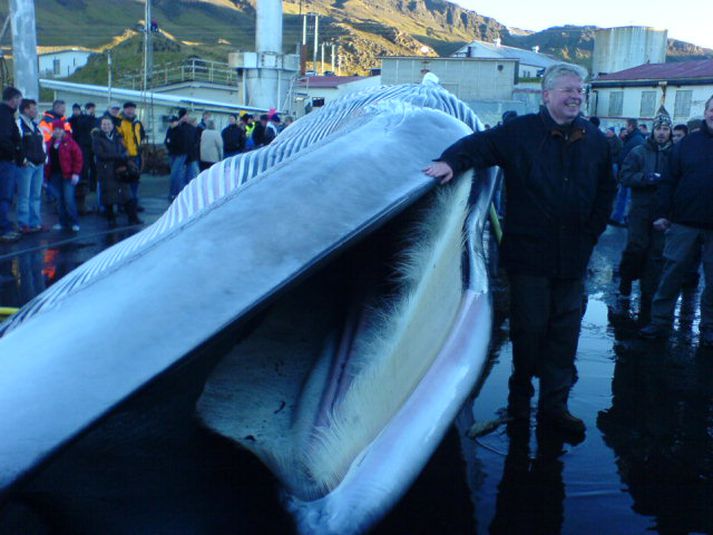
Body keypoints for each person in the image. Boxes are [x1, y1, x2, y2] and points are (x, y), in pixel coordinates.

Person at [424, 63, 615, 438]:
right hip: (529, 259)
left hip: (573, 260)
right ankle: (519, 406)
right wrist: (450, 161)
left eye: (580, 90)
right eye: (567, 90)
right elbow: (481, 145)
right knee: (529, 334)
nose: (576, 95)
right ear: (546, 96)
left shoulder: (595, 140)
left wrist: (590, 236)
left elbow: (607, 192)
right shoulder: (519, 133)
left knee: (564, 337)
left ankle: (555, 409)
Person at [639, 95, 713, 346]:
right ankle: (659, 322)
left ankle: (709, 327)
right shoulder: (687, 144)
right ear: (705, 112)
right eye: (712, 109)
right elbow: (668, 181)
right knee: (671, 273)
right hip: (684, 223)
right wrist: (661, 214)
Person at [615, 109, 674, 322]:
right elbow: (624, 176)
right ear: (652, 130)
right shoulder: (639, 151)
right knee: (636, 247)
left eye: (665, 128)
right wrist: (646, 177)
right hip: (640, 210)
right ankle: (626, 280)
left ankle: (648, 296)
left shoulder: (674, 154)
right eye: (658, 128)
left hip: (662, 213)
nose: (661, 132)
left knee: (656, 254)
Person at [92, 116, 141, 228]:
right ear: (100, 126)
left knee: (127, 195)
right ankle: (111, 220)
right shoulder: (97, 138)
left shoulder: (118, 137)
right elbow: (100, 154)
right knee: (109, 197)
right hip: (105, 171)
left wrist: (125, 156)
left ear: (112, 126)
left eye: (108, 124)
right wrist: (118, 156)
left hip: (120, 170)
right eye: (104, 124)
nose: (106, 126)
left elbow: (124, 150)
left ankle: (133, 218)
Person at [45, 120, 83, 232]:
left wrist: (76, 173)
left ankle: (74, 222)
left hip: (68, 175)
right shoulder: (50, 143)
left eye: (59, 129)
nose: (57, 131)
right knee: (60, 200)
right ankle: (63, 222)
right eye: (55, 129)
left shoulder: (71, 142)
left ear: (63, 130)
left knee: (69, 199)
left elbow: (78, 158)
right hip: (54, 176)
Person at [16, 98, 47, 234]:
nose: (35, 111)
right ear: (26, 109)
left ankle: (35, 223)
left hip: (39, 165)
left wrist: (44, 158)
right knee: (24, 196)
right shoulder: (18, 124)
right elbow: (17, 144)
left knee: (36, 195)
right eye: (33, 108)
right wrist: (22, 159)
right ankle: (23, 224)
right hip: (27, 166)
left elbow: (43, 144)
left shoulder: (36, 126)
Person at [610, 118, 645, 226]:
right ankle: (617, 217)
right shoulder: (632, 138)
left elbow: (633, 157)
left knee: (627, 198)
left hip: (631, 173)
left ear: (631, 126)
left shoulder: (636, 139)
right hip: (626, 172)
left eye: (626, 125)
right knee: (622, 195)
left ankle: (624, 219)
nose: (625, 128)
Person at [0, 86, 22, 242]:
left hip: (6, 159)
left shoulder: (6, 114)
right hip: (5, 161)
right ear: (13, 99)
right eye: (19, 98)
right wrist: (14, 154)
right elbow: (5, 138)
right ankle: (3, 229)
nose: (20, 102)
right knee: (5, 196)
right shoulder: (5, 115)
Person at [118, 102, 146, 208]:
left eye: (132, 109)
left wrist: (141, 150)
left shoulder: (137, 123)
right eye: (128, 109)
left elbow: (141, 137)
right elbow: (118, 139)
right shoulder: (120, 122)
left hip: (137, 155)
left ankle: (134, 202)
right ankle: (124, 204)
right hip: (126, 156)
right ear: (124, 110)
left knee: (135, 180)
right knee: (125, 182)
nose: (131, 111)